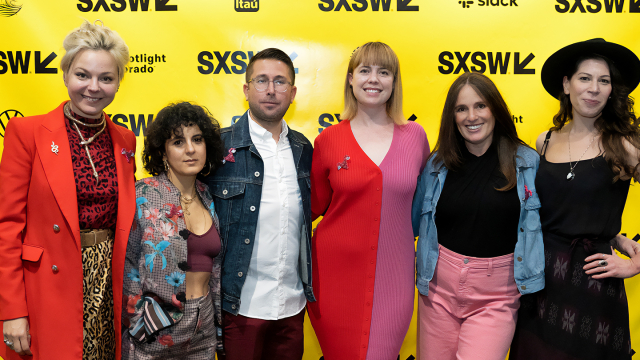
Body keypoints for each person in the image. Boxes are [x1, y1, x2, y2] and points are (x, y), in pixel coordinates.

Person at [0, 20, 136, 360]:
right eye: (82, 75)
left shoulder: (124, 139)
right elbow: (6, 227)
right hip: (48, 286)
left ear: (118, 83)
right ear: (65, 75)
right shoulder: (26, 132)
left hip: (107, 284)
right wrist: (12, 310)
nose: (93, 87)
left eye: (106, 78)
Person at [510, 38, 640, 360]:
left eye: (604, 80)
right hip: (540, 281)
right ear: (567, 85)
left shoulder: (625, 144)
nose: (593, 88)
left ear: (612, 90)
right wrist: (614, 234)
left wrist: (638, 263)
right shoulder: (544, 140)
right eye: (585, 78)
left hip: (594, 287)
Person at [411, 72, 544, 360]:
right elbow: (406, 223)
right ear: (452, 116)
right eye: (461, 108)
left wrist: (613, 237)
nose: (472, 116)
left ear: (495, 109)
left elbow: (559, 217)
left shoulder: (528, 163)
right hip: (437, 292)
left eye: (480, 106)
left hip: (497, 296)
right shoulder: (436, 165)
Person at [308, 42, 429, 360]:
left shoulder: (415, 136)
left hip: (395, 275)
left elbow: (425, 206)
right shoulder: (328, 139)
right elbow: (313, 206)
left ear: (394, 81)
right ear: (350, 79)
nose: (373, 79)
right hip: (333, 278)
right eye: (365, 70)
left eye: (383, 72)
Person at [205, 48, 314, 360]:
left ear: (292, 93)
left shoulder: (303, 149)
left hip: (292, 307)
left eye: (280, 82)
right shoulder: (217, 147)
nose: (270, 90)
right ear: (246, 89)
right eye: (262, 80)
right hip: (239, 307)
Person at [121, 102, 225, 359]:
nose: (190, 149)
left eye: (197, 140)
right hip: (156, 330)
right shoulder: (142, 193)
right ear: (163, 152)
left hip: (203, 328)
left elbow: (216, 270)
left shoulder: (207, 195)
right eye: (178, 142)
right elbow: (128, 262)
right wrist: (139, 322)